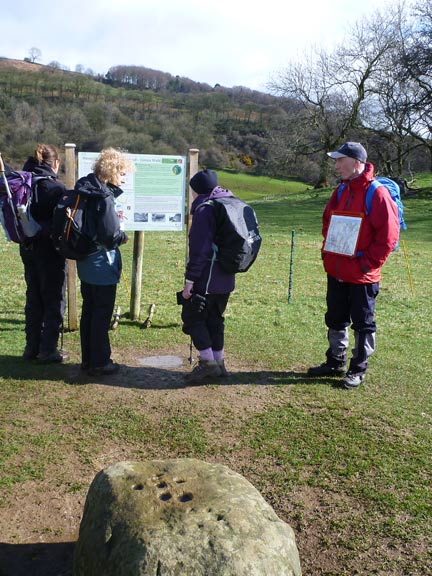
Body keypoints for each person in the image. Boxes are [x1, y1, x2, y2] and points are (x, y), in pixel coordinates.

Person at [308, 142, 399, 389]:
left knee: (362, 323)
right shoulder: (340, 190)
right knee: (335, 317)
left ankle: (358, 368)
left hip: (362, 275)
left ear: (356, 162)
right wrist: (330, 252)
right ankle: (335, 361)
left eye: (340, 160)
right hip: (336, 269)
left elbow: (388, 237)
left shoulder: (377, 193)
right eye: (336, 161)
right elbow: (327, 221)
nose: (336, 166)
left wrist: (366, 264)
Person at [75, 148, 133, 377]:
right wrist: (123, 237)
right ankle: (100, 362)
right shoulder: (104, 197)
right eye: (122, 172)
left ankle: (88, 359)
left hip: (86, 261)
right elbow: (110, 235)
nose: (124, 177)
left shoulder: (86, 190)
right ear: (111, 172)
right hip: (101, 263)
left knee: (89, 311)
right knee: (101, 313)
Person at [180, 169, 235, 384]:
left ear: (196, 190)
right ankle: (219, 363)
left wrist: (190, 281)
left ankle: (208, 364)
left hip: (207, 275)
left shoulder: (205, 210)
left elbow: (199, 249)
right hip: (227, 276)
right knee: (215, 318)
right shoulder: (228, 203)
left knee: (193, 318)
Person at [20, 144, 68, 363]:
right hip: (50, 251)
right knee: (53, 299)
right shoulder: (56, 189)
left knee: (34, 296)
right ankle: (48, 350)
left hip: (27, 247)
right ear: (55, 163)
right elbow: (61, 225)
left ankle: (31, 347)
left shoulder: (23, 185)